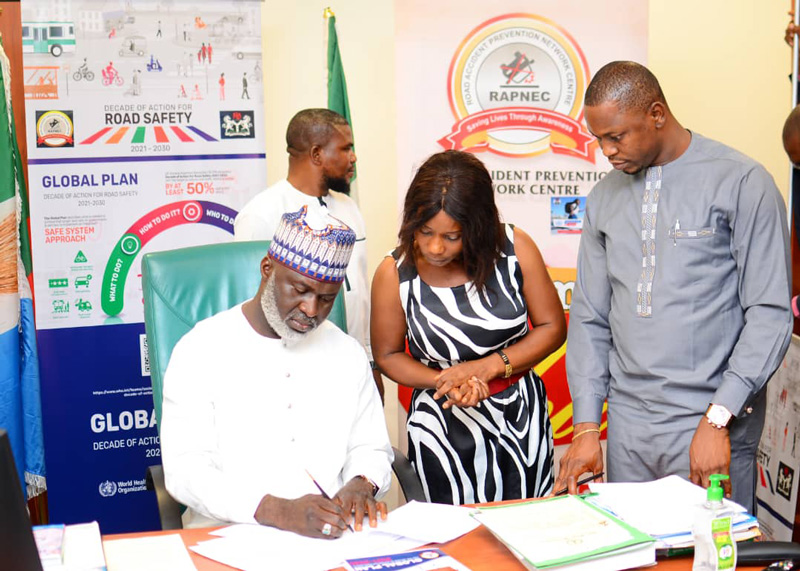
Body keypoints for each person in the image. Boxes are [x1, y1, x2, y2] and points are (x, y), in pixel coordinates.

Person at [555, 61, 792, 512]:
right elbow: (590, 318)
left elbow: (770, 315)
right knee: (634, 546)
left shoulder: (742, 182)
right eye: (599, 139)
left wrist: (718, 419)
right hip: (629, 431)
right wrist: (586, 426)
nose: (606, 151)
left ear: (657, 114)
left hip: (711, 428)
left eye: (616, 136)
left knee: (710, 549)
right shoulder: (604, 198)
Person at [161, 207, 392, 536]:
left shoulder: (347, 353)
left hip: (332, 537)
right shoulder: (201, 349)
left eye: (326, 299)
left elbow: (371, 446)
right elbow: (186, 470)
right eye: (300, 290)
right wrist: (277, 511)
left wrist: (362, 482)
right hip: (232, 535)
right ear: (267, 269)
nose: (311, 310)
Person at [371, 150, 567, 504]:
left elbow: (552, 327)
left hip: (519, 420)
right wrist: (446, 382)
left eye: (452, 236)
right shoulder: (394, 273)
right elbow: (387, 355)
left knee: (526, 524)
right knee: (450, 532)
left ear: (478, 226)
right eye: (425, 232)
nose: (435, 247)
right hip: (441, 426)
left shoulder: (514, 249)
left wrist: (488, 367)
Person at [234, 109, 383, 399]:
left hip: (352, 362)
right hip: (291, 371)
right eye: (345, 148)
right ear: (316, 154)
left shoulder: (349, 208)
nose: (353, 158)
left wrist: (370, 361)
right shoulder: (261, 214)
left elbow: (360, 294)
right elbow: (251, 299)